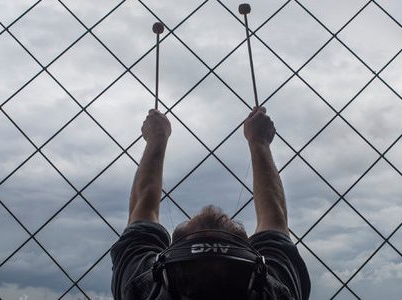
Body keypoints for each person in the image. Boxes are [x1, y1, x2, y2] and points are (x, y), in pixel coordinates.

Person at [111, 107, 310, 299]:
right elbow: (275, 218)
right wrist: (259, 143)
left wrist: (156, 138)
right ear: (254, 271)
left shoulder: (142, 290)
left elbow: (142, 207)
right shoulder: (141, 290)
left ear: (165, 272)